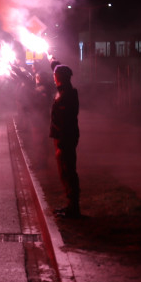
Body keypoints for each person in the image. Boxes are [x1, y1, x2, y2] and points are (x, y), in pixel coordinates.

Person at [49, 64, 81, 218]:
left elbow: (65, 122)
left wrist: (61, 143)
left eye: (55, 75)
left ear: (59, 77)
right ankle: (70, 205)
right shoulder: (64, 91)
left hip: (65, 139)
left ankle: (73, 208)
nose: (53, 77)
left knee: (68, 172)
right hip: (62, 138)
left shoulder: (67, 94)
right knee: (64, 172)